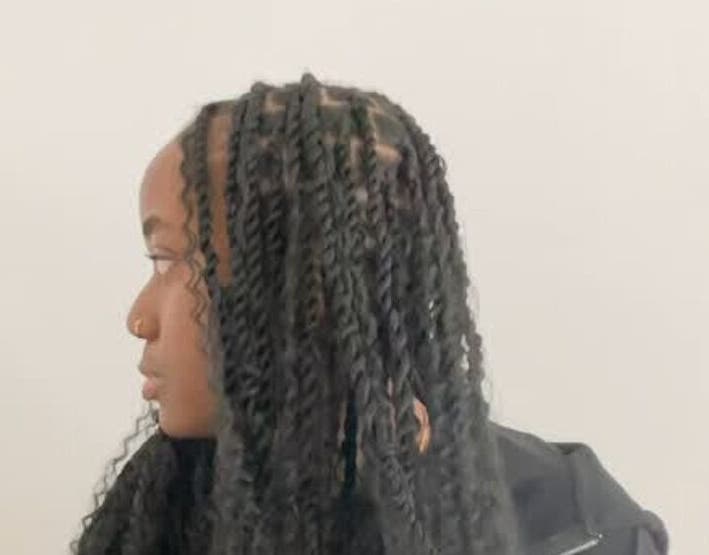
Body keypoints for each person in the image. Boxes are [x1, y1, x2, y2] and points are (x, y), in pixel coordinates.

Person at [70, 73, 669, 555]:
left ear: (311, 286)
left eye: (168, 261)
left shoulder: (578, 529)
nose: (139, 318)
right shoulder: (168, 502)